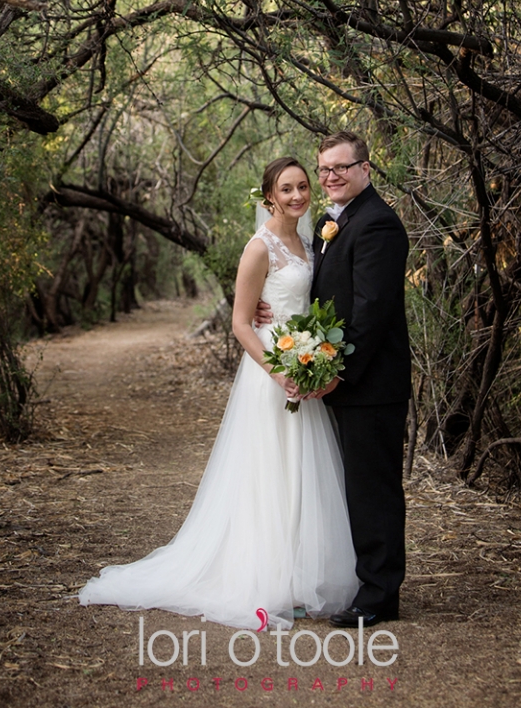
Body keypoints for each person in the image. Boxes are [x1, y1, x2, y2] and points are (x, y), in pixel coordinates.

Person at [77, 156, 356, 630]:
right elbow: (240, 322)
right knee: (269, 471)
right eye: (286, 189)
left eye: (303, 187)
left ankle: (300, 576)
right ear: (269, 196)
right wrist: (276, 372)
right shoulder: (259, 245)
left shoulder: (313, 240)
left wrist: (313, 356)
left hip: (303, 358)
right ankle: (265, 577)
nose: (297, 196)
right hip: (272, 367)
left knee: (302, 469)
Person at [309, 131, 410, 627]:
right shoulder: (331, 223)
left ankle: (379, 596)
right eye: (324, 169)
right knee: (350, 488)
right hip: (343, 381)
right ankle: (359, 581)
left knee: (374, 491)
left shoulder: (379, 226)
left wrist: (338, 375)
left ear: (365, 169)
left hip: (371, 386)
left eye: (340, 168)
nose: (330, 177)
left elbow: (369, 314)